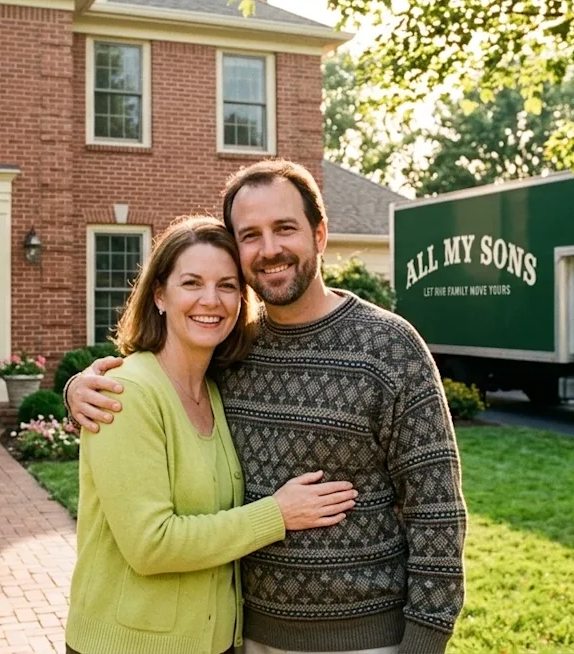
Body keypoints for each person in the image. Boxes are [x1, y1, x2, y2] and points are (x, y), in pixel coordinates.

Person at [67, 161, 467, 654]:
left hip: (365, 640)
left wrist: (424, 643)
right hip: (245, 636)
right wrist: (79, 391)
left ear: (319, 235)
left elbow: (437, 512)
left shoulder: (389, 347)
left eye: (285, 228)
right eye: (250, 235)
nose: (270, 249)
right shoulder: (232, 354)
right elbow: (153, 391)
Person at [64, 215, 360, 654]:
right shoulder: (125, 393)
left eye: (226, 285)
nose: (211, 300)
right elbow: (151, 545)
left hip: (215, 643)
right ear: (160, 294)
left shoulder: (218, 390)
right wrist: (277, 514)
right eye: (192, 283)